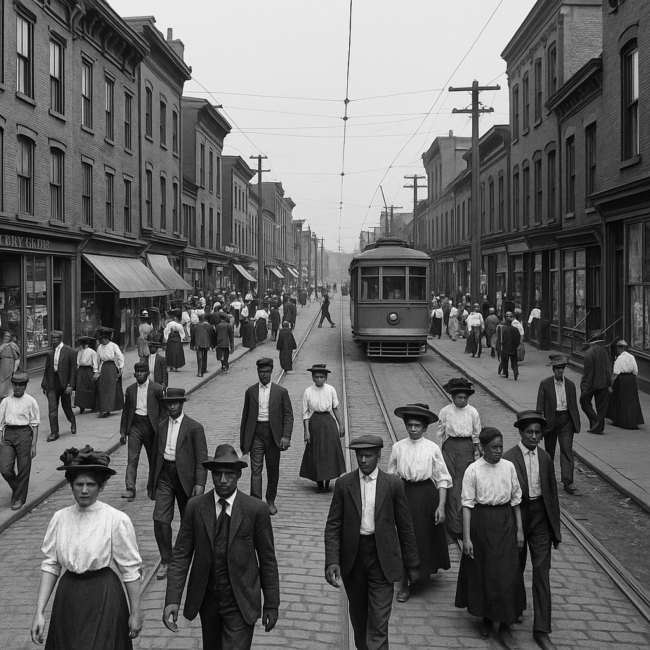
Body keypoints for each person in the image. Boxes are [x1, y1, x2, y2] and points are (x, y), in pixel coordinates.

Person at [162, 444, 280, 649]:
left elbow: (267, 559)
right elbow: (181, 555)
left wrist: (271, 602)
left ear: (239, 474)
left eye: (229, 474)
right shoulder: (196, 507)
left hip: (241, 601)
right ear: (211, 475)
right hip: (208, 602)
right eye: (217, 474)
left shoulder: (255, 509)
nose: (223, 480)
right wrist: (172, 599)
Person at [30, 447, 143, 649]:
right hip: (68, 597)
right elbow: (51, 565)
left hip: (104, 596)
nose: (84, 490)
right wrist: (39, 612)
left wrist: (135, 612)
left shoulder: (115, 519)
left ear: (101, 486)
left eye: (90, 484)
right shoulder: (60, 518)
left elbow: (130, 569)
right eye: (78, 484)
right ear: (71, 485)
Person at [324, 434, 419, 650]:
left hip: (382, 559)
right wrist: (332, 560)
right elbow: (333, 525)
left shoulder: (392, 484)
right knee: (359, 621)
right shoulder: (344, 484)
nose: (363, 460)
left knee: (378, 623)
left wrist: (412, 564)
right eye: (360, 456)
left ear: (379, 455)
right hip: (354, 560)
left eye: (368, 455)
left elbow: (405, 527)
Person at [455, 427, 526, 643]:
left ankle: (505, 623)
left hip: (505, 522)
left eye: (500, 447)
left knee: (507, 573)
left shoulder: (509, 467)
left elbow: (516, 500)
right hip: (482, 524)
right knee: (484, 572)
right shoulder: (473, 470)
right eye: (493, 448)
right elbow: (467, 504)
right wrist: (466, 538)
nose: (498, 451)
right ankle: (486, 617)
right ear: (482, 448)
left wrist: (519, 529)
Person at [503, 412, 562, 650]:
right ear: (521, 433)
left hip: (539, 518)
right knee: (513, 568)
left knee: (541, 571)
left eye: (538, 433)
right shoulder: (508, 458)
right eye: (530, 432)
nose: (535, 437)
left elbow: (552, 495)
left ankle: (542, 629)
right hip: (517, 515)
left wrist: (555, 531)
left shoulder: (546, 458)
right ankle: (510, 614)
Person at [389, 404, 451, 603]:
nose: (413, 429)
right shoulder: (398, 447)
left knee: (423, 536)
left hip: (426, 495)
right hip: (404, 493)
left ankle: (421, 572)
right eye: (410, 425)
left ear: (425, 428)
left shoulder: (432, 448)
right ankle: (406, 580)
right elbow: (391, 476)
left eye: (417, 425)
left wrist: (441, 506)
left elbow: (442, 478)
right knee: (406, 536)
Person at [149, 388, 208, 579]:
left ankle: (185, 559)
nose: (172, 406)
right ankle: (166, 559)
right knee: (160, 518)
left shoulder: (194, 428)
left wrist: (199, 483)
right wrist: (152, 484)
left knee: (188, 521)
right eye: (169, 403)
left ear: (182, 403)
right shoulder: (161, 426)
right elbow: (154, 458)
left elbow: (201, 458)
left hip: (186, 478)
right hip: (165, 476)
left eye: (175, 402)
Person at [240, 358, 293, 515]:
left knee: (272, 469)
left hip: (273, 434)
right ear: (257, 372)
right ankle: (256, 502)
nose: (263, 375)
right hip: (256, 433)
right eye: (260, 372)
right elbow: (246, 416)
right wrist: (244, 441)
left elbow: (288, 415)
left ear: (271, 372)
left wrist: (286, 436)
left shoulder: (281, 392)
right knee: (256, 469)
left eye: (266, 372)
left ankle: (270, 500)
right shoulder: (251, 391)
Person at [437, 378, 481, 540]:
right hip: (449, 448)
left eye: (465, 398)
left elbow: (476, 434)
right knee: (449, 482)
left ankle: (462, 526)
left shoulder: (473, 412)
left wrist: (476, 450)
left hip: (466, 449)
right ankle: (449, 526)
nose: (462, 401)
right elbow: (441, 433)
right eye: (459, 398)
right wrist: (439, 452)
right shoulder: (446, 411)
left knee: (463, 485)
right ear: (453, 397)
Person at [536, 354, 582, 496]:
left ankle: (568, 482)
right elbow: (540, 405)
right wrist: (540, 422)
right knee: (549, 452)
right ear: (553, 369)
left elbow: (573, 405)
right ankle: (549, 481)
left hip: (566, 420)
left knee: (567, 449)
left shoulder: (570, 385)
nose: (560, 371)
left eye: (562, 369)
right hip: (551, 419)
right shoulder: (545, 384)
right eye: (557, 369)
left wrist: (574, 421)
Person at [119, 362, 164, 502]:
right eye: (137, 372)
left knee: (153, 459)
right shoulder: (130, 390)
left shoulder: (157, 389)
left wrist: (161, 429)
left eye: (142, 372)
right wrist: (123, 432)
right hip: (135, 426)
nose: (139, 374)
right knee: (132, 459)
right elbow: (126, 411)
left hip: (151, 426)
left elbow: (163, 411)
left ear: (148, 373)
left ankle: (153, 488)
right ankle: (130, 488)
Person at [299, 364, 346, 492]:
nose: (319, 379)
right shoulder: (308, 391)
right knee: (316, 452)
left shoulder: (330, 389)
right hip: (315, 422)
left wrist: (341, 425)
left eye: (322, 377)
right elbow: (305, 413)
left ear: (326, 378)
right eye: (316, 377)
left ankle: (328, 481)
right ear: (312, 378)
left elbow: (335, 408)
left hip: (328, 422)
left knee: (329, 451)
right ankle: (319, 482)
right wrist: (306, 431)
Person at [0, 372, 39, 511]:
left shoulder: (30, 401)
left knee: (24, 467)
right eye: (15, 384)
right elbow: (1, 422)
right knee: (5, 468)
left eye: (20, 385)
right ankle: (18, 488)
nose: (17, 387)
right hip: (9, 434)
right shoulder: (6, 402)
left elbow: (35, 424)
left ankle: (18, 498)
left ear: (25, 386)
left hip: (24, 433)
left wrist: (34, 444)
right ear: (12, 385)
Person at [41, 330, 77, 441]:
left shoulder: (70, 352)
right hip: (52, 383)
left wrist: (71, 385)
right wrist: (45, 385)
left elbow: (73, 371)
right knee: (52, 410)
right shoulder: (50, 352)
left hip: (65, 384)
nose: (54, 340)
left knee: (66, 407)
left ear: (61, 339)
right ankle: (54, 433)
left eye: (56, 338)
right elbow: (47, 369)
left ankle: (72, 420)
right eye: (52, 338)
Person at [580, 329, 612, 434]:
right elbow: (608, 368)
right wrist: (609, 383)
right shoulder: (604, 351)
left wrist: (584, 386)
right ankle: (598, 426)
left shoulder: (589, 352)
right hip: (603, 383)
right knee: (601, 407)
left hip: (591, 384)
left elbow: (588, 371)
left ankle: (595, 420)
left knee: (584, 402)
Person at [607, 340, 644, 430]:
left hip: (621, 380)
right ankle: (633, 421)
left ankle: (621, 420)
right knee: (632, 400)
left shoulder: (619, 359)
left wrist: (611, 385)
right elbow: (635, 371)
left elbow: (616, 373)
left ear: (619, 348)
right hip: (631, 380)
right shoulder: (631, 357)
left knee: (621, 399)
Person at [95, 327, 125, 419]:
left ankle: (108, 408)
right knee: (102, 387)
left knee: (110, 388)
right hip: (104, 368)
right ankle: (104, 408)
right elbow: (97, 359)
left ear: (107, 338)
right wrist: (97, 371)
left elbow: (120, 357)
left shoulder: (113, 346)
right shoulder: (100, 347)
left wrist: (120, 368)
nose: (101, 341)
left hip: (112, 367)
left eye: (102, 339)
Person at [75, 336, 97, 414]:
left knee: (90, 386)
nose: (84, 345)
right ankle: (81, 406)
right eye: (83, 343)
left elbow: (95, 363)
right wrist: (77, 370)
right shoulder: (80, 352)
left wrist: (95, 372)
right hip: (81, 370)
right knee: (80, 387)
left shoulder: (92, 352)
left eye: (86, 343)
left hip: (88, 370)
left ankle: (92, 406)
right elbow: (77, 362)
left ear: (88, 344)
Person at [499, 312, 521, 380]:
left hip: (506, 348)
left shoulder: (503, 328)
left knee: (505, 361)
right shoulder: (515, 329)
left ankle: (505, 373)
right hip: (513, 348)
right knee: (514, 361)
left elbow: (501, 338)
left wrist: (501, 344)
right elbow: (518, 338)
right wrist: (516, 345)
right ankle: (515, 372)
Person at [190, 313, 213, 378]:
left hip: (198, 343)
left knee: (199, 357)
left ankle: (200, 371)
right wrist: (211, 344)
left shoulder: (195, 326)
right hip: (206, 342)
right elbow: (211, 335)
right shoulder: (208, 326)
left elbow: (192, 336)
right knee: (205, 355)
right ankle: (204, 369)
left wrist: (192, 345)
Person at [0, 330, 20, 401]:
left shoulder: (13, 346)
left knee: (8, 383)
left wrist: (14, 369)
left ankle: (6, 398)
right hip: (2, 366)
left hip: (9, 366)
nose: (6, 337)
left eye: (8, 336)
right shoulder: (1, 346)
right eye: (5, 336)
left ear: (10, 338)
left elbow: (17, 358)